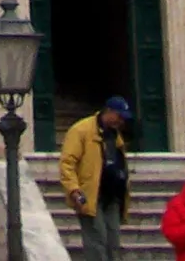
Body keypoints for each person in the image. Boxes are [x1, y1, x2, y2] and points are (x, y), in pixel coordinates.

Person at [59, 96, 133, 261]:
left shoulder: (115, 135)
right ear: (109, 112)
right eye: (119, 117)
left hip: (112, 197)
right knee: (96, 242)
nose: (121, 121)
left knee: (113, 242)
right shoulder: (81, 130)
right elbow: (67, 163)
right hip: (90, 196)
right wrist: (74, 190)